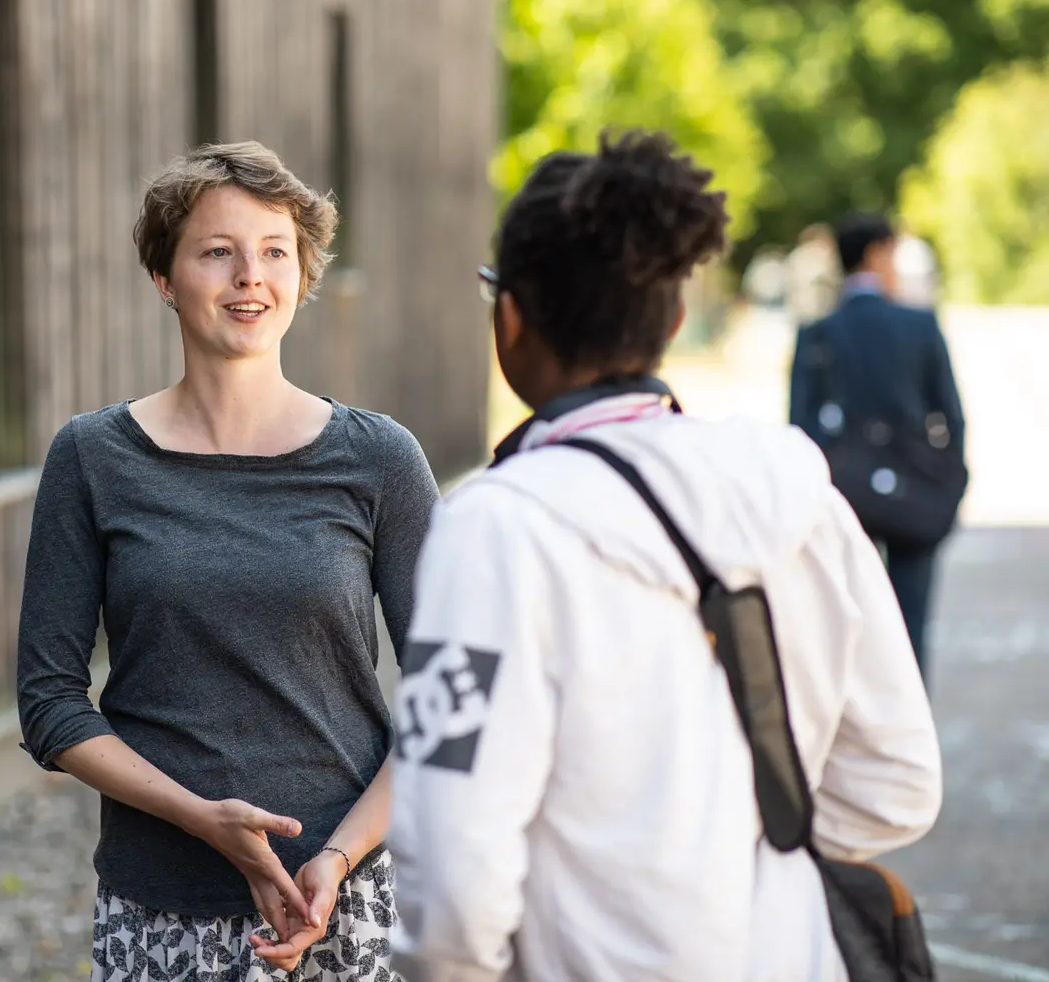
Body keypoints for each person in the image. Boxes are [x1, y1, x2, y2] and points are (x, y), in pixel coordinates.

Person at [390, 130, 942, 982]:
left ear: (510, 315)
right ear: (675, 319)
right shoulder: (794, 487)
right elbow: (900, 781)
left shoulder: (497, 527)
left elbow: (453, 878)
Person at [16, 141, 438, 980]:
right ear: (165, 279)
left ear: (302, 275)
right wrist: (199, 817)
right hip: (155, 906)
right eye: (218, 252)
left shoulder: (380, 459)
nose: (251, 275)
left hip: (336, 905)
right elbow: (49, 703)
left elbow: (448, 696)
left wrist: (344, 855)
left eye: (275, 252)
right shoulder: (93, 457)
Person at [789, 212, 965, 675]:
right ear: (875, 253)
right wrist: (951, 482)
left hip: (844, 496)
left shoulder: (818, 331)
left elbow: (799, 424)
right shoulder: (919, 325)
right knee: (910, 631)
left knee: (845, 633)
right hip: (917, 493)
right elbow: (951, 415)